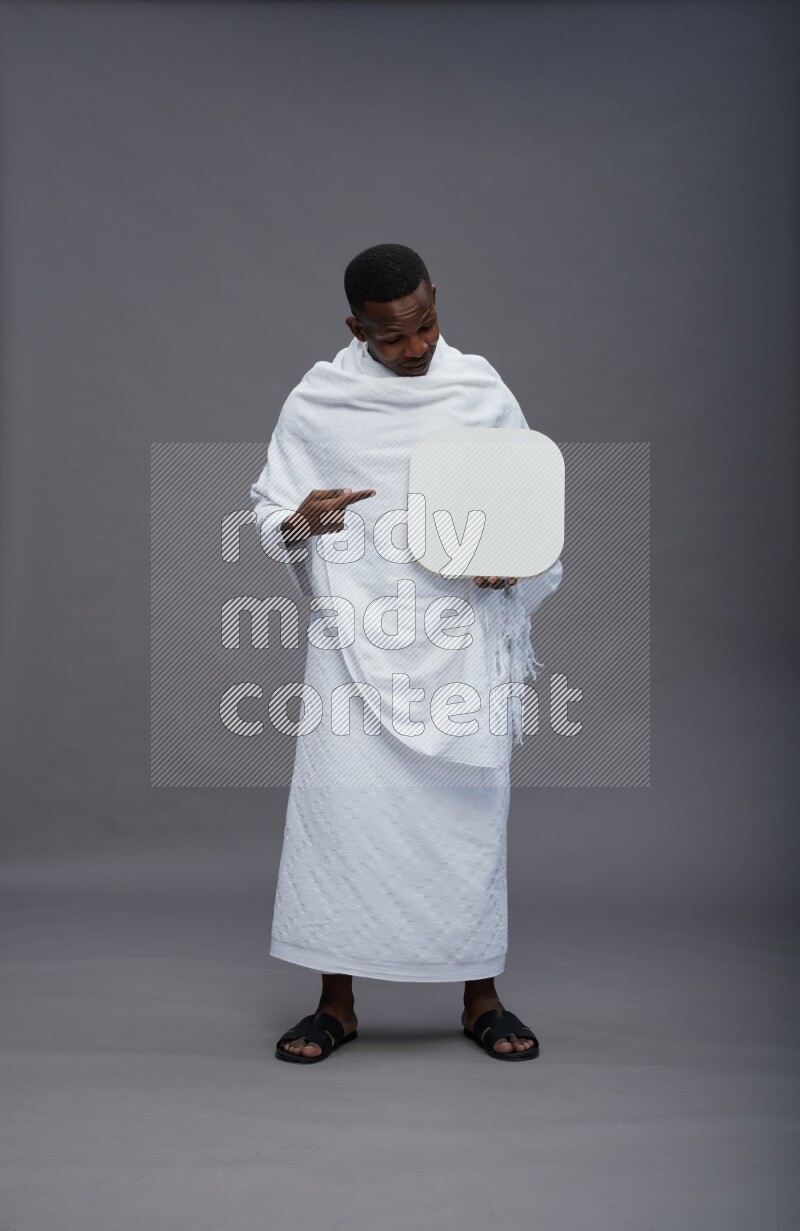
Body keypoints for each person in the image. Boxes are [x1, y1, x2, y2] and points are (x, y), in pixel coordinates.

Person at [250, 243, 563, 1064]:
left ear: (435, 303)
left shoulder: (477, 387)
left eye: (425, 325)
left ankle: (480, 995)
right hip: (356, 644)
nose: (417, 346)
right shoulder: (321, 400)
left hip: (461, 643)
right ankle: (336, 1004)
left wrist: (511, 558)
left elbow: (529, 496)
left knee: (468, 818)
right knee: (345, 820)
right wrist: (303, 520)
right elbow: (274, 516)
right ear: (356, 328)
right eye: (393, 337)